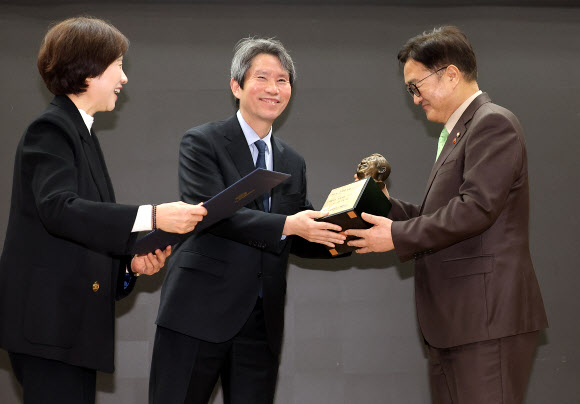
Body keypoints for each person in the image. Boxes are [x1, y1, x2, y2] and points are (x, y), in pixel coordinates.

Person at [0, 16, 207, 404]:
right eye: (118, 65)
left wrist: (130, 266)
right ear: (88, 68)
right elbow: (59, 209)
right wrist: (154, 215)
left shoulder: (82, 133)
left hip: (69, 330)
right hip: (49, 328)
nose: (124, 78)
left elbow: (83, 231)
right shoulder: (51, 129)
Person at [347, 26, 548, 404]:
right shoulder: (459, 133)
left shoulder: (493, 123)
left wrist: (395, 236)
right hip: (457, 323)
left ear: (451, 74)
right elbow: (435, 217)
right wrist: (381, 203)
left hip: (486, 320)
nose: (415, 98)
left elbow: (476, 209)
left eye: (416, 86)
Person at [149, 37, 345, 404]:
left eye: (283, 80)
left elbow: (299, 233)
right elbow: (211, 215)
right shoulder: (202, 142)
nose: (274, 88)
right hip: (198, 311)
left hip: (260, 322)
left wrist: (354, 229)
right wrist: (289, 225)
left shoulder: (292, 161)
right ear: (236, 86)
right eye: (262, 78)